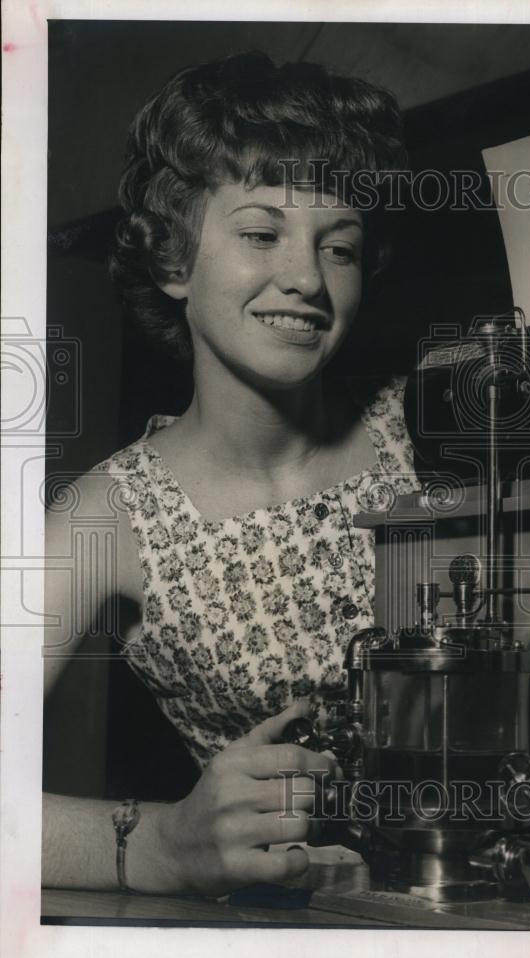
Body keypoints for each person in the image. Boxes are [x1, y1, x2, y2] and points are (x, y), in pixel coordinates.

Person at [43, 51, 418, 897]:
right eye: (260, 234)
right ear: (174, 261)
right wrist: (158, 849)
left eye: (341, 247)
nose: (305, 279)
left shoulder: (426, 425)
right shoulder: (110, 515)